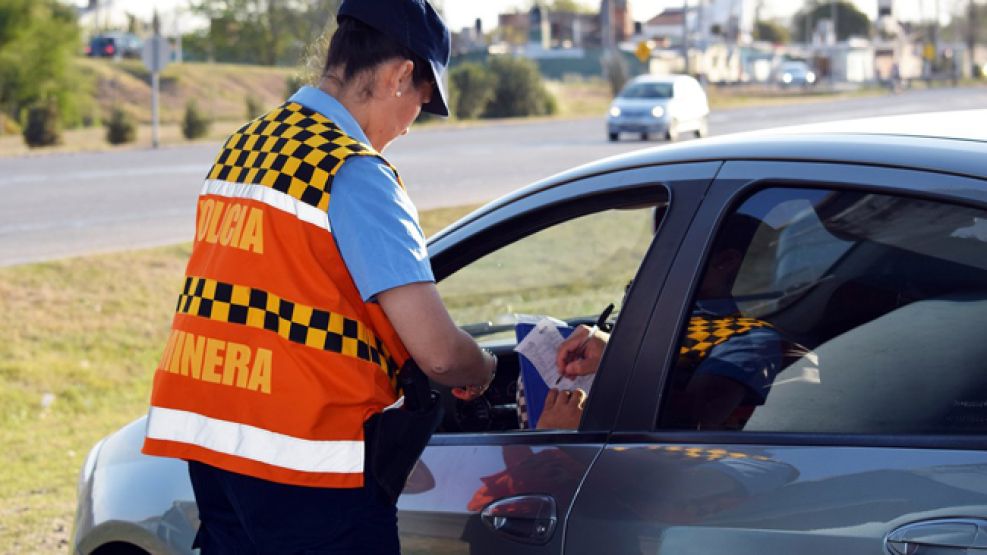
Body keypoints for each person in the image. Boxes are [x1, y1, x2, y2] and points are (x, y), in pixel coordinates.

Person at [140, 1, 496, 553]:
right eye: (419, 106)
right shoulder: (352, 171)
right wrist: (488, 367)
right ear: (400, 74)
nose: (406, 130)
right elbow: (441, 355)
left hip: (218, 452)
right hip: (312, 469)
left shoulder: (245, 145)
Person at [543, 215, 790, 431]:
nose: (652, 263)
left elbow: (691, 419)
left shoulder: (750, 339)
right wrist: (613, 345)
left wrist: (559, 436)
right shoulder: (671, 312)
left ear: (724, 261)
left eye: (672, 248)